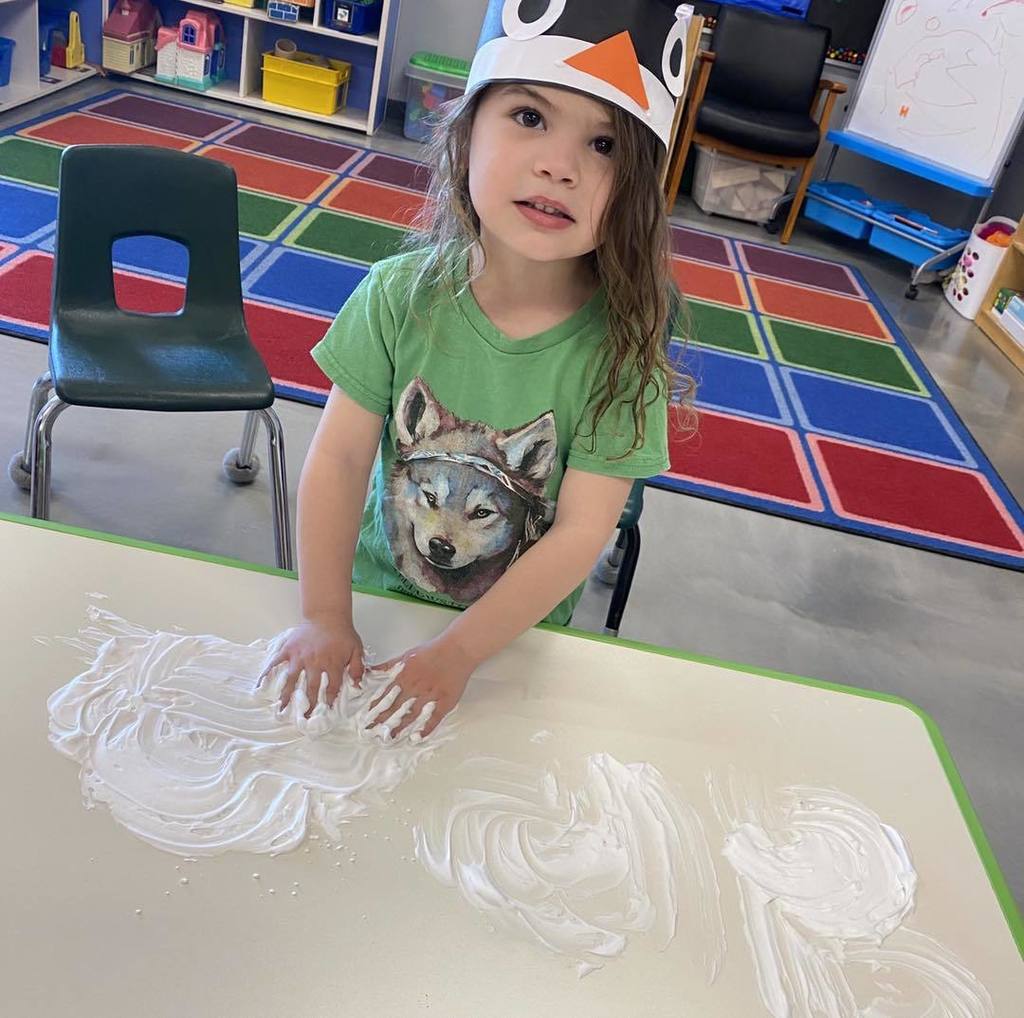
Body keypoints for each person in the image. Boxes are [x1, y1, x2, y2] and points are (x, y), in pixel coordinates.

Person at [265, 0, 696, 738]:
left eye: (604, 145)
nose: (559, 165)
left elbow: (580, 531)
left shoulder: (625, 355)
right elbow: (338, 459)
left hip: (512, 646)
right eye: (530, 117)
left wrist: (459, 654)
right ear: (464, 137)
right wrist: (324, 616)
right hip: (373, 607)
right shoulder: (399, 298)